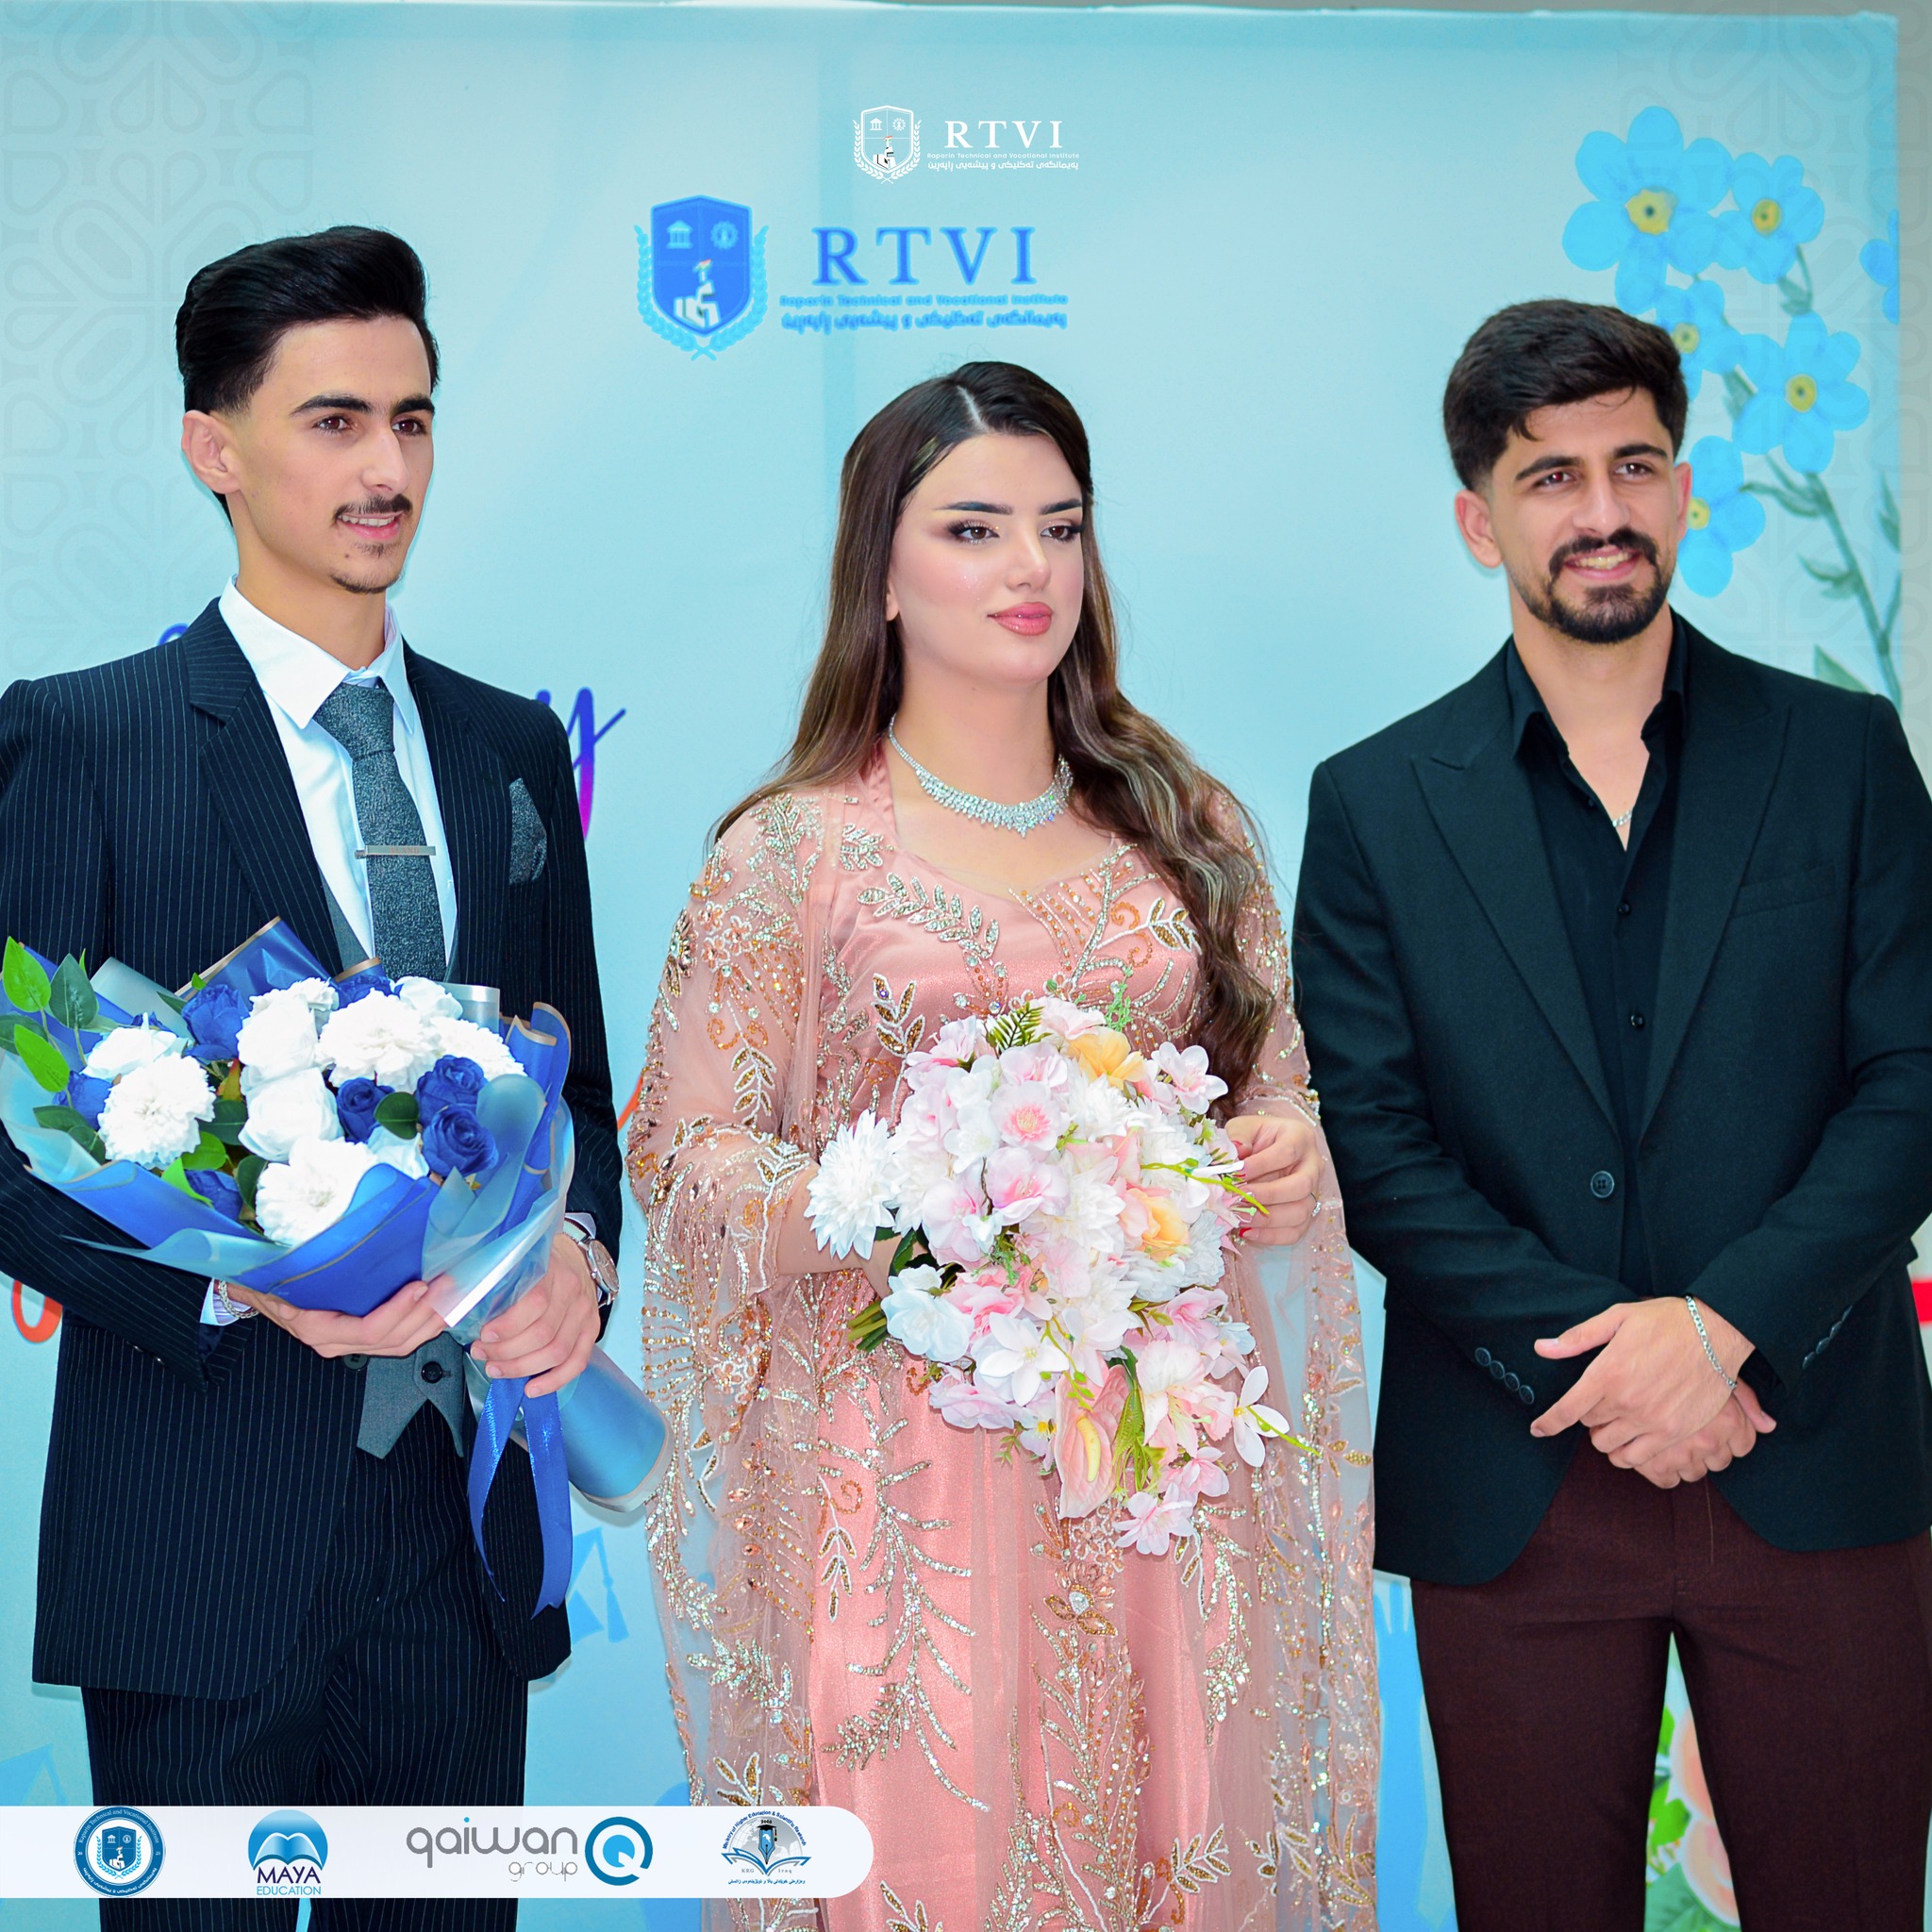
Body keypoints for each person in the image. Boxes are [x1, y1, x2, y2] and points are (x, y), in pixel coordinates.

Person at [627, 360, 1376, 1930]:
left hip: (1161, 1456)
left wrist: (1281, 1152)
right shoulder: (792, 852)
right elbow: (683, 1158)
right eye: (975, 529)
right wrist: (908, 1197)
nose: (1029, 567)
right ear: (884, 573)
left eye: (1061, 527)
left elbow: (1275, 1090)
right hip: (904, 1478)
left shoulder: (1186, 826)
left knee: (1183, 1829)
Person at [0, 226, 623, 1928]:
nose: (387, 468)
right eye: (334, 422)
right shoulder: (88, 738)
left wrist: (578, 1263)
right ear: (215, 446)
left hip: (464, 1523)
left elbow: (573, 1084)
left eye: (412, 421)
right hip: (199, 1530)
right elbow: (13, 1142)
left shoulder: (506, 747)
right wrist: (238, 1292)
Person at [1292, 297, 1932, 1931]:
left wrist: (1722, 1332)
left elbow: (1913, 1081)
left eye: (1635, 466)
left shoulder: (1843, 755)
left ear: (1686, 491)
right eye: (1551, 476)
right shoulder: (1375, 801)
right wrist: (1614, 1364)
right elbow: (1376, 1143)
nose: (1603, 512)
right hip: (1517, 1474)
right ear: (1479, 521)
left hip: (1809, 1444)